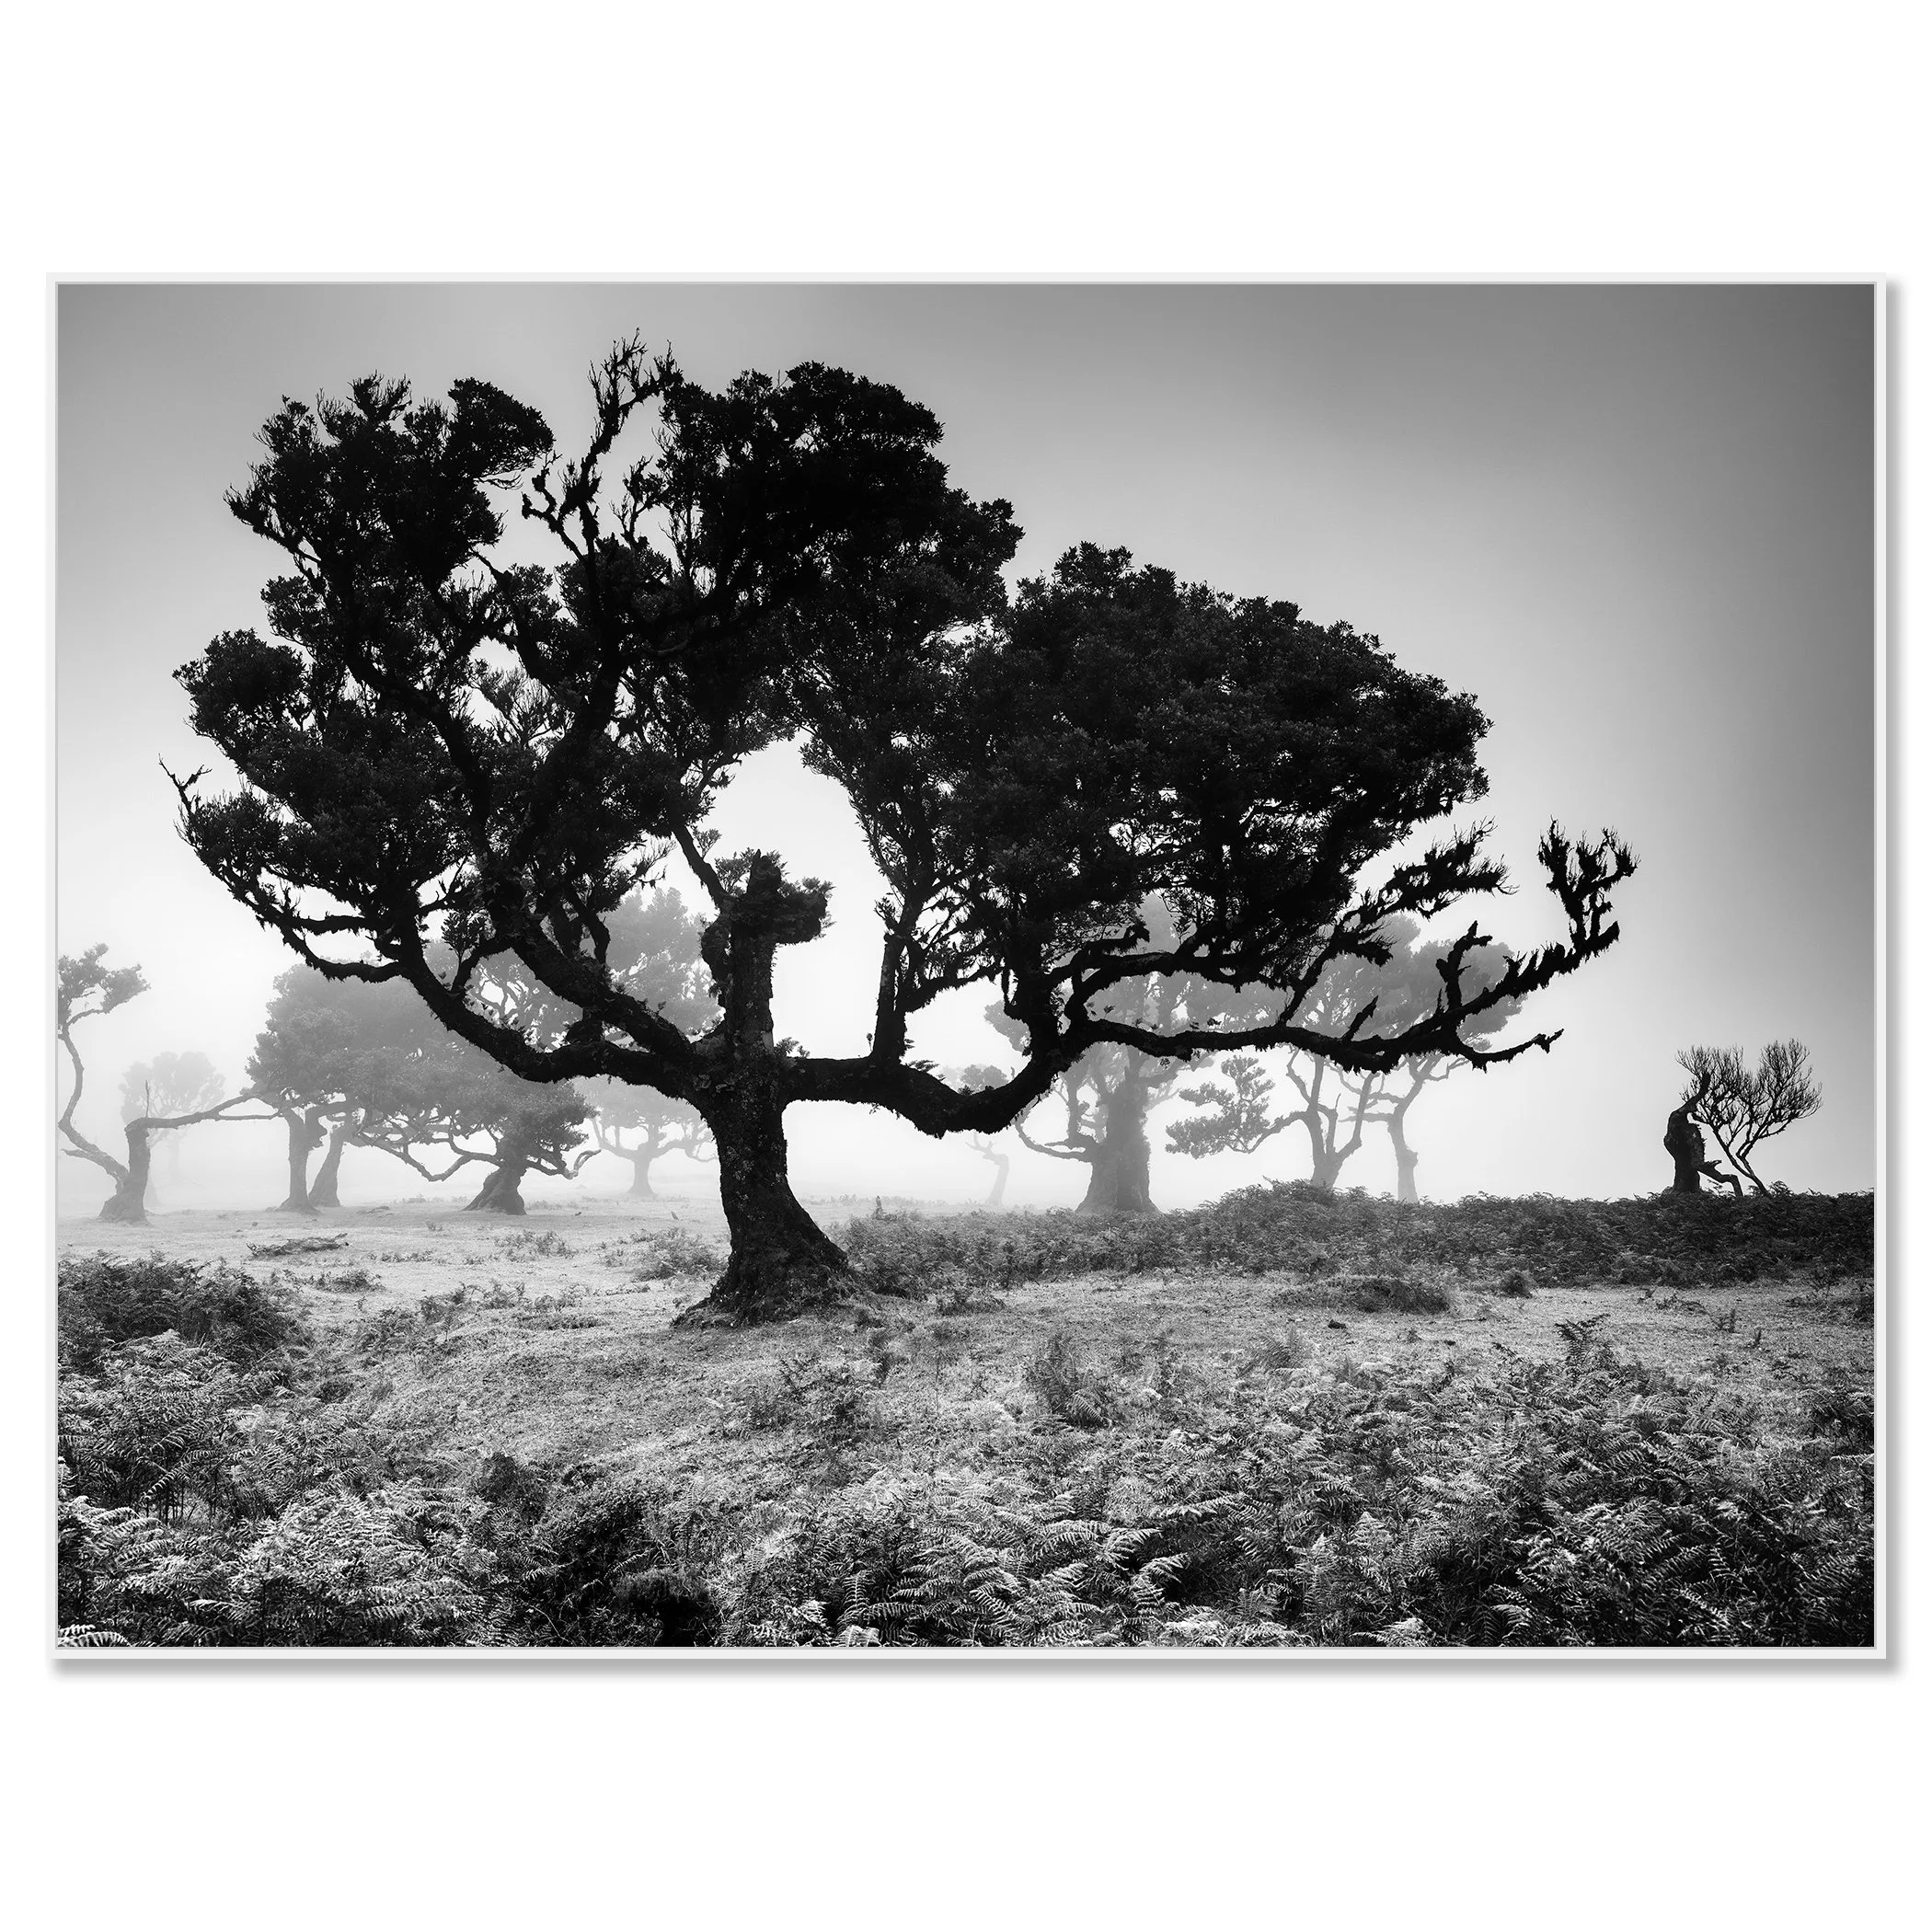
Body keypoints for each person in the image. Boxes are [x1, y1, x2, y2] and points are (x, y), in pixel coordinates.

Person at [1664, 1097, 1741, 1196]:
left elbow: (1696, 1161)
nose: (1695, 1109)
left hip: (1688, 1172)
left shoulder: (1689, 1130)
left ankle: (1739, 1198)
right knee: (1685, 1170)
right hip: (1684, 1171)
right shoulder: (1680, 1130)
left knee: (1689, 1171)